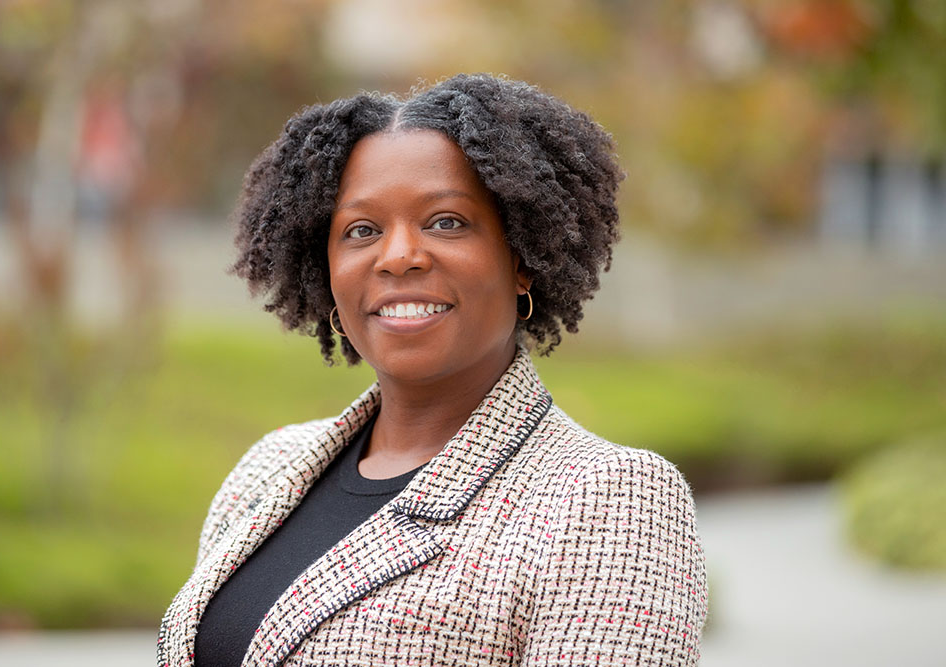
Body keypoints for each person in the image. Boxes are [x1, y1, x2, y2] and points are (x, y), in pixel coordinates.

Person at [159, 73, 707, 666]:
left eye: (446, 221)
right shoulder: (266, 469)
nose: (397, 257)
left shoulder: (609, 502)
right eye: (361, 230)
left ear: (522, 258)